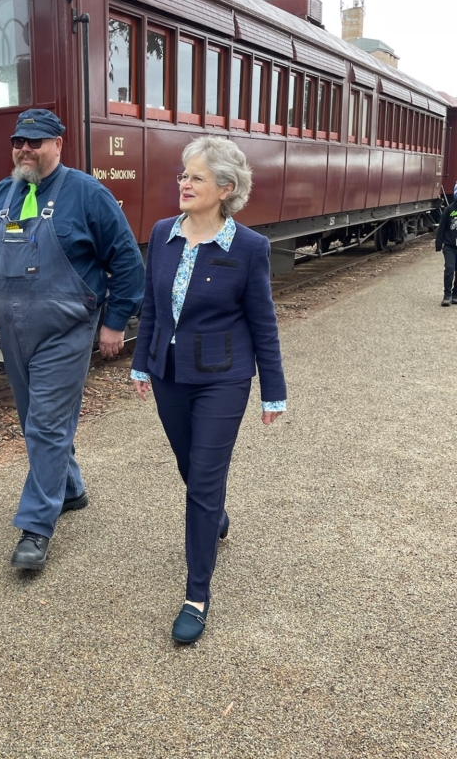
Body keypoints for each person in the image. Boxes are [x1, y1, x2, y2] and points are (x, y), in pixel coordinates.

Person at [0, 108, 145, 570]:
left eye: (36, 142)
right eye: (20, 141)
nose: (25, 149)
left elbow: (129, 263)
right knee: (34, 420)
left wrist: (115, 322)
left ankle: (37, 527)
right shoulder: (0, 196)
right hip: (14, 332)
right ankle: (70, 488)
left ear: (59, 144)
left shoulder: (87, 195)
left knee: (46, 425)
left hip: (66, 330)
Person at [130, 136, 286, 644]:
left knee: (202, 480)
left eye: (195, 177)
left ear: (225, 188)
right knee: (189, 468)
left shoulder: (248, 248)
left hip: (223, 378)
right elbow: (152, 308)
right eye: (183, 175)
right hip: (168, 374)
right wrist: (140, 364)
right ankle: (215, 512)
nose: (184, 183)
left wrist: (272, 390)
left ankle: (197, 595)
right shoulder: (162, 234)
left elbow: (264, 323)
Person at [435, 199, 457, 306]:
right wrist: (438, 244)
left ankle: (455, 294)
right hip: (450, 246)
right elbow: (441, 228)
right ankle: (447, 295)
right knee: (450, 268)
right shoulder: (449, 210)